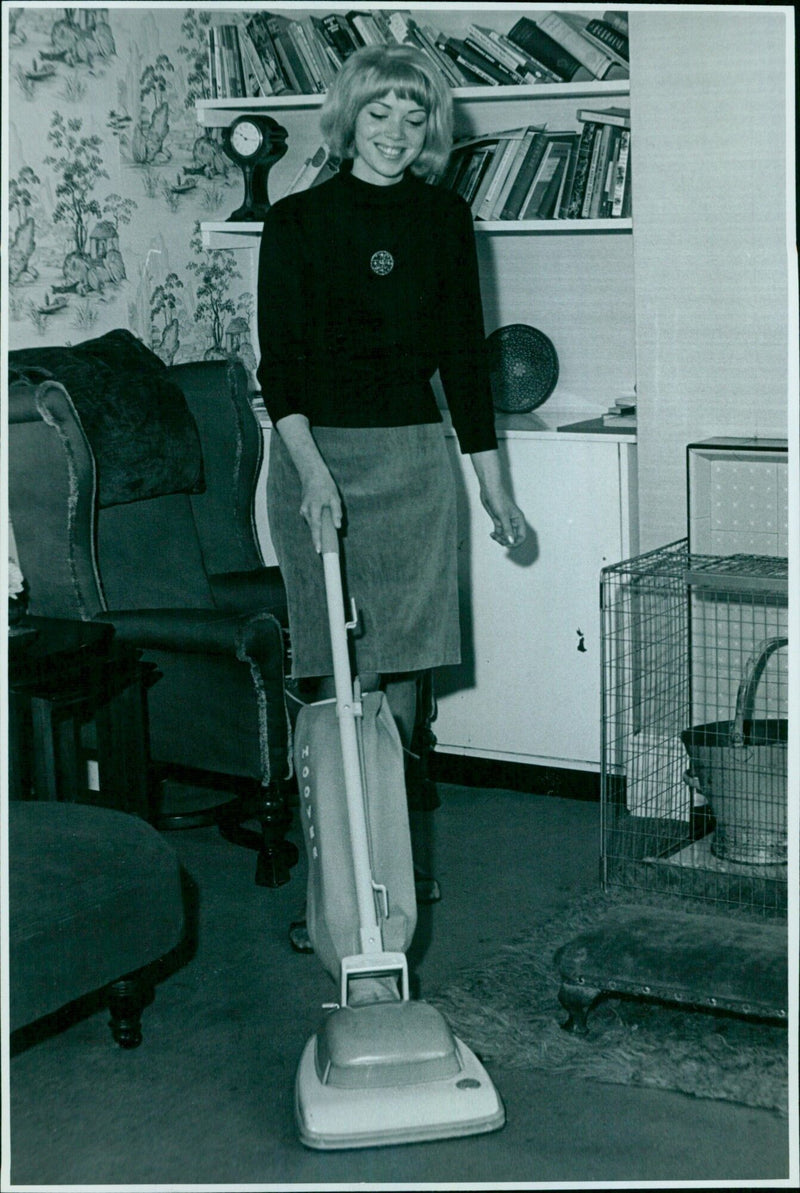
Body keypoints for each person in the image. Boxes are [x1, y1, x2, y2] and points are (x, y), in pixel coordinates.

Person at [257, 45, 527, 936]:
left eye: (415, 118)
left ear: (431, 130)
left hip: (415, 463)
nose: (397, 133)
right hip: (314, 462)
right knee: (333, 680)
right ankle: (332, 893)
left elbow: (466, 367)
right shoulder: (296, 223)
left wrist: (496, 492)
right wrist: (315, 479)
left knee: (403, 678)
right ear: (348, 118)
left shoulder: (446, 220)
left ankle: (392, 872)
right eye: (380, 114)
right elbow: (280, 369)